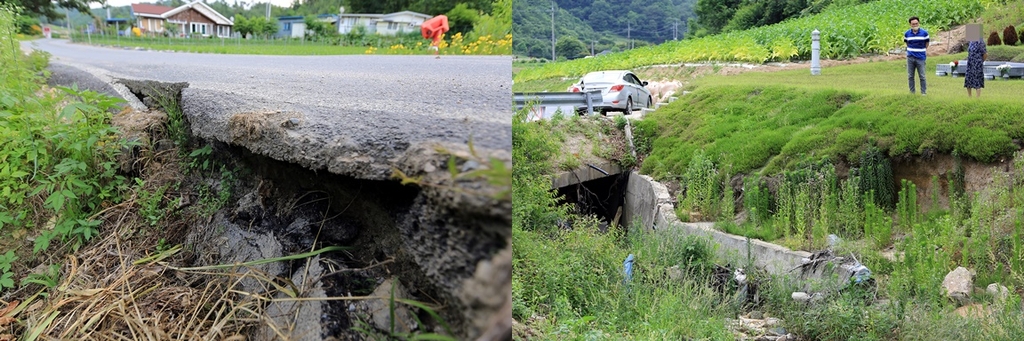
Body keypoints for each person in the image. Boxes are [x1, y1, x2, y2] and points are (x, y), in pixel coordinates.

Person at [903, 16, 930, 95]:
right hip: (910, 57)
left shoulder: (924, 33)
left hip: (921, 57)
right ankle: (912, 92)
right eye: (913, 24)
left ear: (919, 23)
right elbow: (907, 43)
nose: (915, 25)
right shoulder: (907, 33)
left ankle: (923, 93)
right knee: (910, 76)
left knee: (922, 76)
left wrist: (922, 50)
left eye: (916, 23)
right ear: (910, 24)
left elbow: (927, 43)